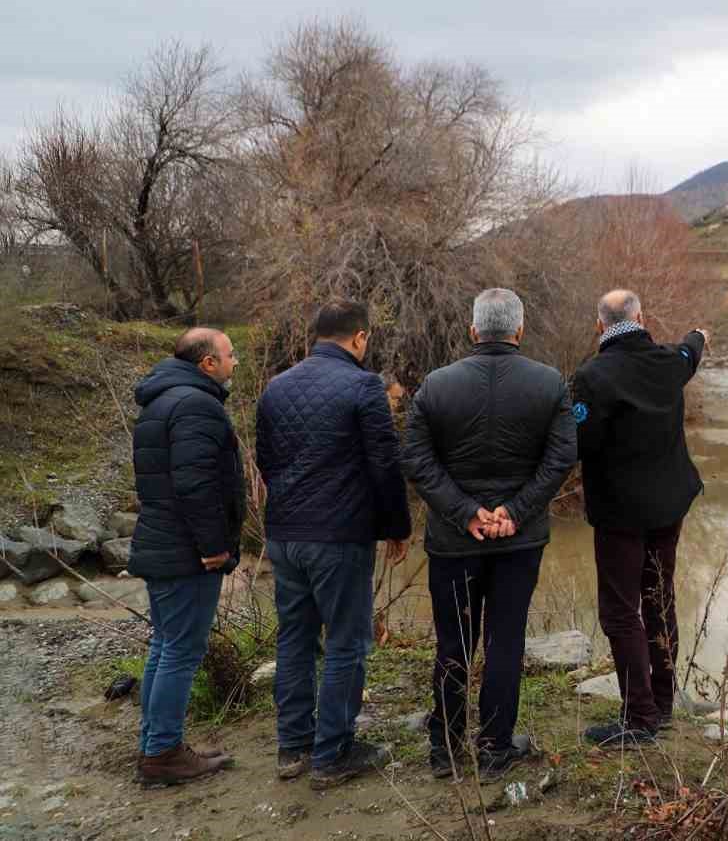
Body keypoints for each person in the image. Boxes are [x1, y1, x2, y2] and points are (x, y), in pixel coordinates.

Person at [402, 289, 577, 779]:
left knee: (453, 642)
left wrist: (466, 513)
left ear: (473, 331)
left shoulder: (436, 385)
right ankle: (496, 749)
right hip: (517, 542)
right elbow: (561, 457)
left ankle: (445, 749)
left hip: (456, 540)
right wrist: (515, 511)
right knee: (506, 641)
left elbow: (416, 459)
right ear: (519, 332)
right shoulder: (549, 384)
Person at [255, 300, 412, 789]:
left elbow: (266, 460)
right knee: (346, 642)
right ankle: (332, 755)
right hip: (339, 536)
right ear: (359, 338)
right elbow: (384, 465)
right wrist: (397, 528)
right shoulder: (364, 386)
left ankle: (293, 748)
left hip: (284, 535)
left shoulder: (275, 387)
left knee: (295, 638)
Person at [570, 289, 708, 747]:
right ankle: (663, 703)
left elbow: (580, 443)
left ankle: (640, 717)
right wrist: (699, 335)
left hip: (620, 513)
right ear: (641, 317)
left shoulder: (592, 377)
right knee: (659, 598)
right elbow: (692, 349)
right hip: (669, 505)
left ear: (599, 326)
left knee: (619, 610)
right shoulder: (670, 363)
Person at [128, 327, 245, 787]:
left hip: (163, 544)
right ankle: (162, 754)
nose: (235, 362)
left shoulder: (161, 399)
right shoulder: (196, 404)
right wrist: (215, 545)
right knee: (179, 649)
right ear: (207, 364)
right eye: (230, 355)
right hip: (185, 553)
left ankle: (157, 745)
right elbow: (195, 485)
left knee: (165, 645)